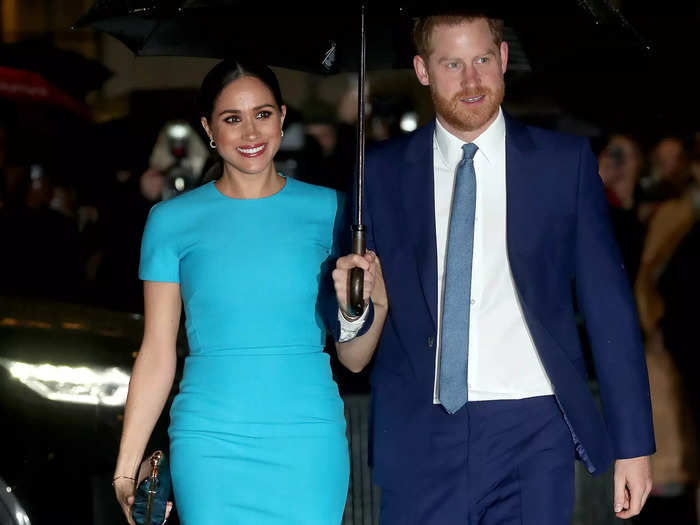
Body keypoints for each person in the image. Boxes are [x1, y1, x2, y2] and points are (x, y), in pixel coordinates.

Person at [331, 13, 655, 524]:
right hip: (420, 435)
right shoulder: (381, 174)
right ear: (423, 70)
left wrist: (634, 445)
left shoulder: (562, 163)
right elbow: (354, 339)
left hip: (534, 431)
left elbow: (608, 306)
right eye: (452, 64)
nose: (472, 80)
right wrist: (356, 306)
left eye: (482, 59)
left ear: (503, 59)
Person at [112, 60, 355, 525]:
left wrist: (369, 304)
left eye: (262, 114)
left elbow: (356, 348)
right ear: (208, 128)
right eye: (232, 118)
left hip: (308, 439)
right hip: (209, 442)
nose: (250, 132)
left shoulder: (332, 209)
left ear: (283, 117)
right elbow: (158, 352)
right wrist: (126, 471)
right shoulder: (171, 221)